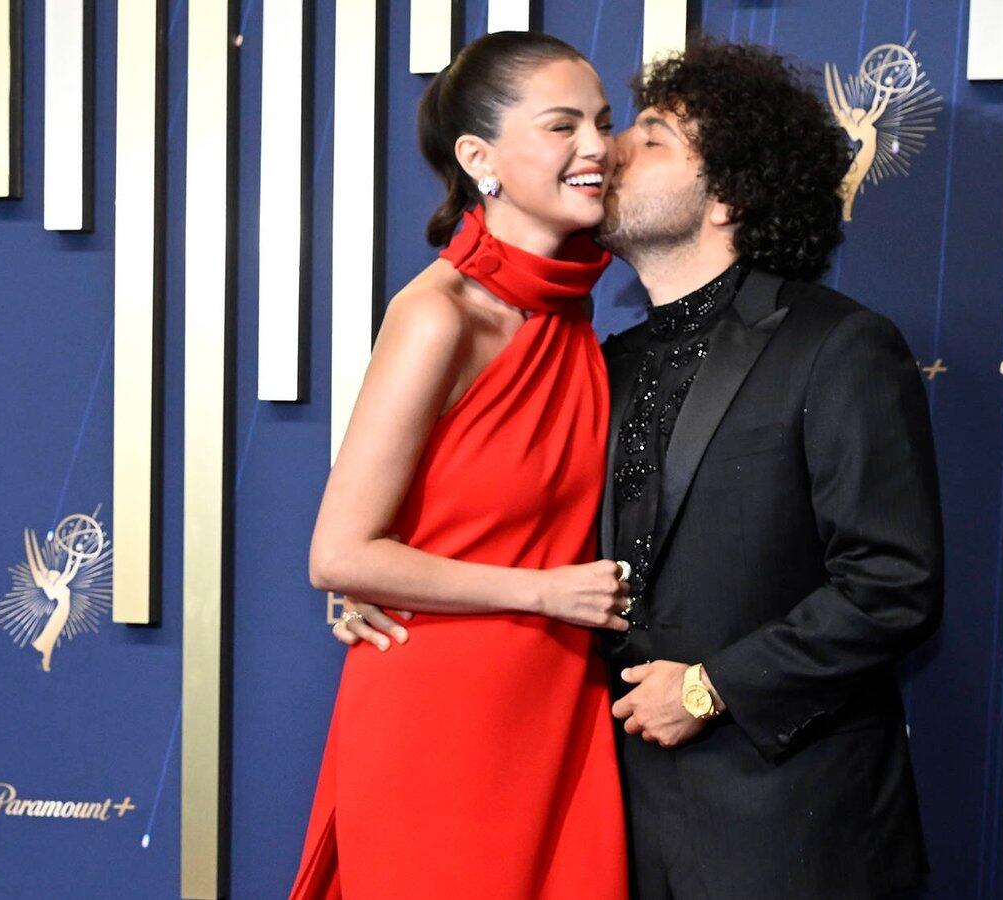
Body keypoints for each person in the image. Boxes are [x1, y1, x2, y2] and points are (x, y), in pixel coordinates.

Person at [343, 36, 945, 899]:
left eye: (650, 136)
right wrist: (385, 579)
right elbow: (509, 522)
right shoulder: (597, 363)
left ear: (729, 195)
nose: (609, 150)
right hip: (610, 822)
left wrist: (710, 689)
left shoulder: (837, 345)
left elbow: (893, 583)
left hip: (788, 831)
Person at [290, 31, 630, 899]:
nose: (597, 146)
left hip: (555, 698)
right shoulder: (439, 315)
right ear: (480, 159)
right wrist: (544, 592)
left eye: (603, 122)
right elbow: (340, 554)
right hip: (444, 715)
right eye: (562, 126)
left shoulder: (567, 312)